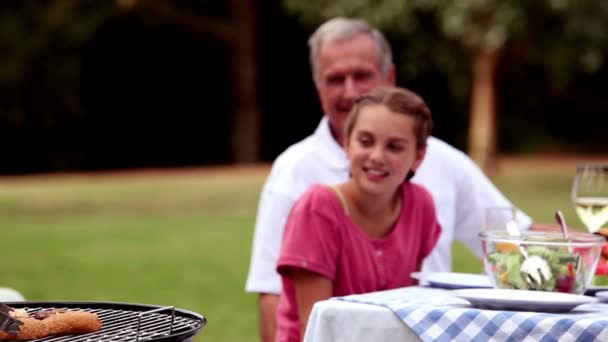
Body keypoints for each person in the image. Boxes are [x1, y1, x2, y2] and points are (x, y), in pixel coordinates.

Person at [245, 17, 533, 342]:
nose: (350, 91)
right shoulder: (298, 176)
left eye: (362, 75)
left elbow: (515, 239)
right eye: (335, 79)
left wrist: (592, 245)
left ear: (389, 76)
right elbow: (289, 308)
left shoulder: (431, 183)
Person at [275, 86, 441, 341]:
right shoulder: (318, 209)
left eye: (394, 147)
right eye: (365, 141)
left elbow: (408, 311)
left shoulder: (421, 206)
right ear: (346, 144)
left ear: (418, 157)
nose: (377, 156)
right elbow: (316, 328)